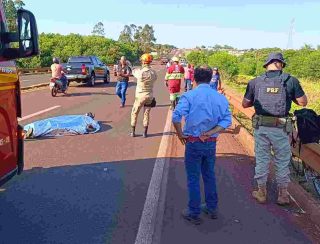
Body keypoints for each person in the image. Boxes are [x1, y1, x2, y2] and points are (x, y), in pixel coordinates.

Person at [242, 52, 308, 206]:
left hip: (261, 127)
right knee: (282, 161)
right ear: (281, 65)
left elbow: (245, 104)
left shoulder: (255, 82)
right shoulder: (290, 81)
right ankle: (283, 195)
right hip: (281, 128)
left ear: (267, 65)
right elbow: (303, 102)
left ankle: (261, 192)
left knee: (262, 159)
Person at [172, 66, 232, 225]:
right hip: (210, 143)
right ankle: (212, 208)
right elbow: (227, 120)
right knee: (209, 175)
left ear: (194, 78)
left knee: (193, 178)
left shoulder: (189, 96)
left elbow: (176, 116)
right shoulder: (220, 98)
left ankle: (194, 211)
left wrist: (179, 134)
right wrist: (212, 131)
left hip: (193, 142)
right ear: (211, 77)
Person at [130, 53, 157, 138]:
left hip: (140, 96)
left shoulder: (140, 72)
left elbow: (133, 71)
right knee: (146, 114)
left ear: (143, 62)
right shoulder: (153, 73)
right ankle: (145, 133)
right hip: (149, 96)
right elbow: (155, 78)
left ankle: (133, 132)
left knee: (134, 113)